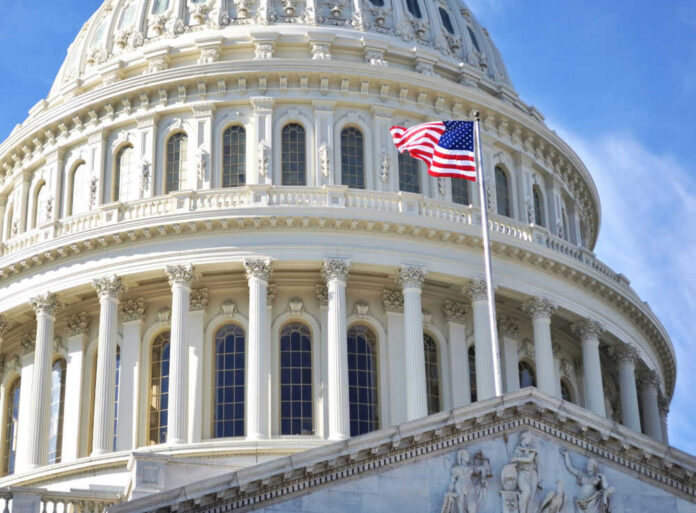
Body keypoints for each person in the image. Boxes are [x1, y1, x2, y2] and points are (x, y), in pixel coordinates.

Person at [560, 449, 614, 513]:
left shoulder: (597, 479)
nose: (589, 466)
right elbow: (570, 468)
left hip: (590, 503)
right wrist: (566, 455)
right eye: (588, 464)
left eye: (591, 465)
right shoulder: (582, 475)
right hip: (580, 502)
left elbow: (605, 487)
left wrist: (602, 477)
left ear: (594, 468)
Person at [511, 431, 539, 513]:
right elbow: (514, 464)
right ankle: (521, 510)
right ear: (523, 438)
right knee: (526, 491)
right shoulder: (517, 449)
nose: (530, 440)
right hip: (522, 473)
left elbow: (529, 459)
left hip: (532, 475)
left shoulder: (532, 450)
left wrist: (517, 459)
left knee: (531, 496)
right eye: (528, 438)